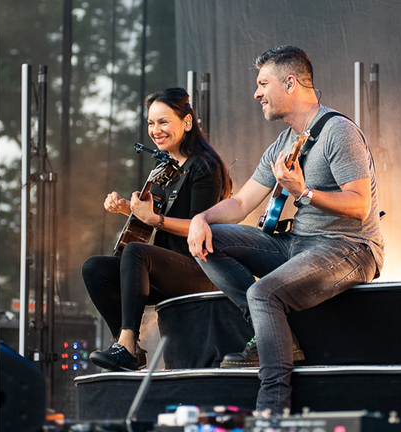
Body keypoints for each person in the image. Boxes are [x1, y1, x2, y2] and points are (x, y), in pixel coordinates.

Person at [187, 45, 384, 414]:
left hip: (350, 247)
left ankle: (272, 409)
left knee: (263, 293)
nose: (257, 93)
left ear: (290, 83)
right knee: (206, 241)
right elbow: (242, 204)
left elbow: (360, 206)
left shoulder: (338, 131)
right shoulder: (282, 143)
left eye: (263, 83)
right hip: (298, 242)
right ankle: (273, 334)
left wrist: (303, 192)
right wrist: (202, 219)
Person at [83, 87, 232, 371]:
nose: (156, 130)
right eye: (151, 123)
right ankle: (127, 345)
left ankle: (126, 345)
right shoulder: (163, 168)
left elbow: (198, 225)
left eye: (163, 122)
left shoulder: (204, 167)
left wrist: (155, 220)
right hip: (166, 270)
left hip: (201, 270)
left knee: (138, 252)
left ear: (187, 123)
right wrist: (129, 208)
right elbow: (156, 213)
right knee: (94, 269)